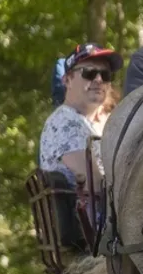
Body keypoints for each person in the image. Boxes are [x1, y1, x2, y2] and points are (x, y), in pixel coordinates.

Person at [39, 42, 122, 188]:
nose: (99, 79)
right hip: (93, 210)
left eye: (105, 75)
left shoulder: (107, 123)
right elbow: (95, 186)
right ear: (67, 80)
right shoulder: (64, 121)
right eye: (89, 73)